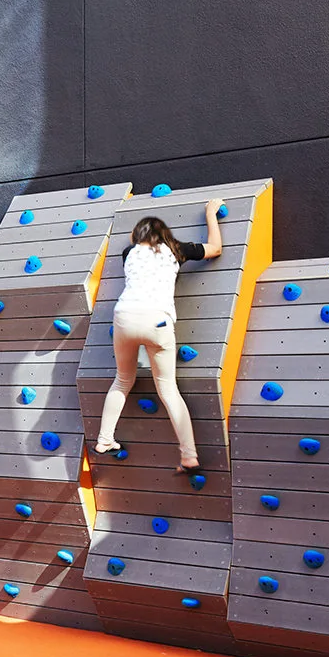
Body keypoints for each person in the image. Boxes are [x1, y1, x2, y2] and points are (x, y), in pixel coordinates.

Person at [90, 200, 225, 474]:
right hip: (157, 320)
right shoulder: (176, 249)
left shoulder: (128, 253)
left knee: (122, 380)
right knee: (168, 390)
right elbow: (216, 249)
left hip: (124, 317)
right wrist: (211, 213)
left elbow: (135, 245)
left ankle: (104, 440)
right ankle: (189, 456)